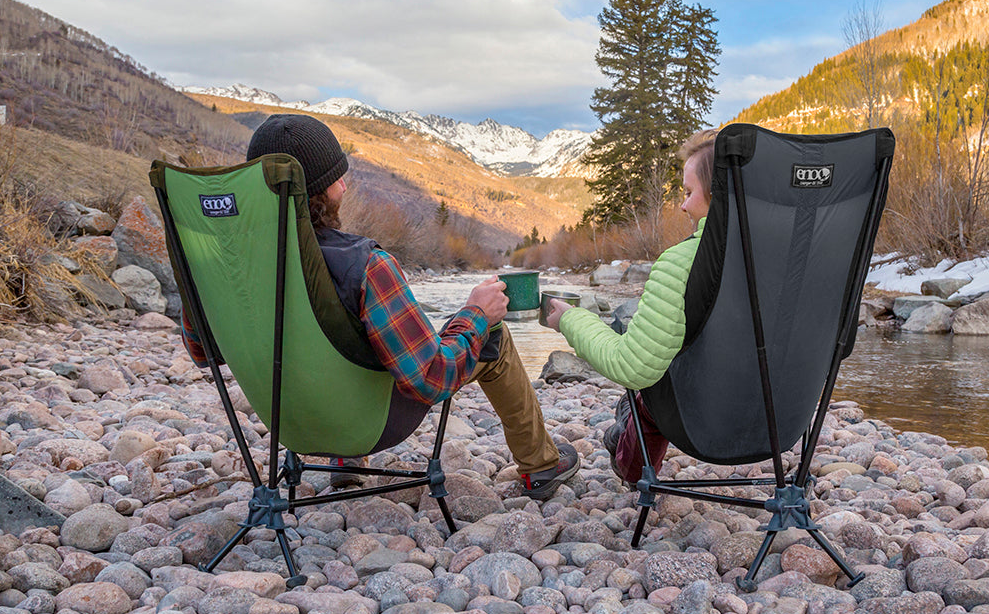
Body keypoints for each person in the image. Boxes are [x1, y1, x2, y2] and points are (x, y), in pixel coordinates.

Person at [182, 114, 580, 499]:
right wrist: (477, 314)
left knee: (356, 337)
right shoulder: (366, 264)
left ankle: (346, 466)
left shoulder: (223, 266)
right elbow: (431, 379)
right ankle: (541, 464)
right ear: (325, 189)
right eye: (338, 176)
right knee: (496, 338)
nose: (344, 184)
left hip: (290, 425)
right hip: (368, 424)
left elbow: (203, 353)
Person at [544, 128, 717, 485]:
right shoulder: (801, 262)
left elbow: (632, 366)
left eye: (687, 193)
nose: (683, 206)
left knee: (649, 384)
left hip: (705, 421)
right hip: (783, 421)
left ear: (718, 194)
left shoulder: (682, 262)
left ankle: (629, 458)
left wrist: (570, 320)